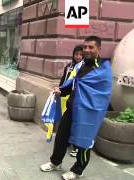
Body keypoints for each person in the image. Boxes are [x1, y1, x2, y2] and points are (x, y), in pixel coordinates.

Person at [40, 36, 113, 180]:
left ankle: (78, 170)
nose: (87, 50)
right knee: (61, 137)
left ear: (99, 48)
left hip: (88, 113)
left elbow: (103, 94)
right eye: (85, 47)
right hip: (72, 108)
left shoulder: (104, 69)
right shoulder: (80, 64)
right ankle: (56, 162)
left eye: (91, 47)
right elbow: (74, 85)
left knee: (84, 142)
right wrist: (62, 90)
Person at [59, 45, 84, 157]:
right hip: (66, 98)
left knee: (77, 123)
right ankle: (68, 141)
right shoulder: (69, 66)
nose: (78, 57)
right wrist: (59, 89)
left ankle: (76, 147)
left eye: (81, 55)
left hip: (77, 100)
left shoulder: (83, 68)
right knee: (66, 121)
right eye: (76, 54)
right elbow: (64, 80)